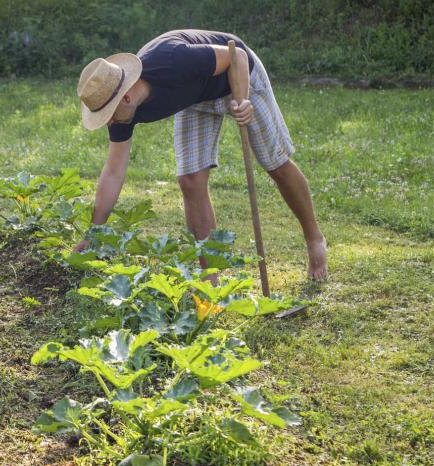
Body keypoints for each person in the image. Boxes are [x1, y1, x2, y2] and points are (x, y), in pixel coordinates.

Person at [75, 29, 327, 280]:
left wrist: (242, 100)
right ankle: (211, 279)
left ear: (127, 96)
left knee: (276, 164)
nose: (108, 123)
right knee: (190, 180)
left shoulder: (171, 60)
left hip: (238, 75)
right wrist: (93, 232)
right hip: (195, 98)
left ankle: (314, 238)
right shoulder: (121, 111)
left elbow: (235, 55)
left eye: (108, 116)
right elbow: (113, 172)